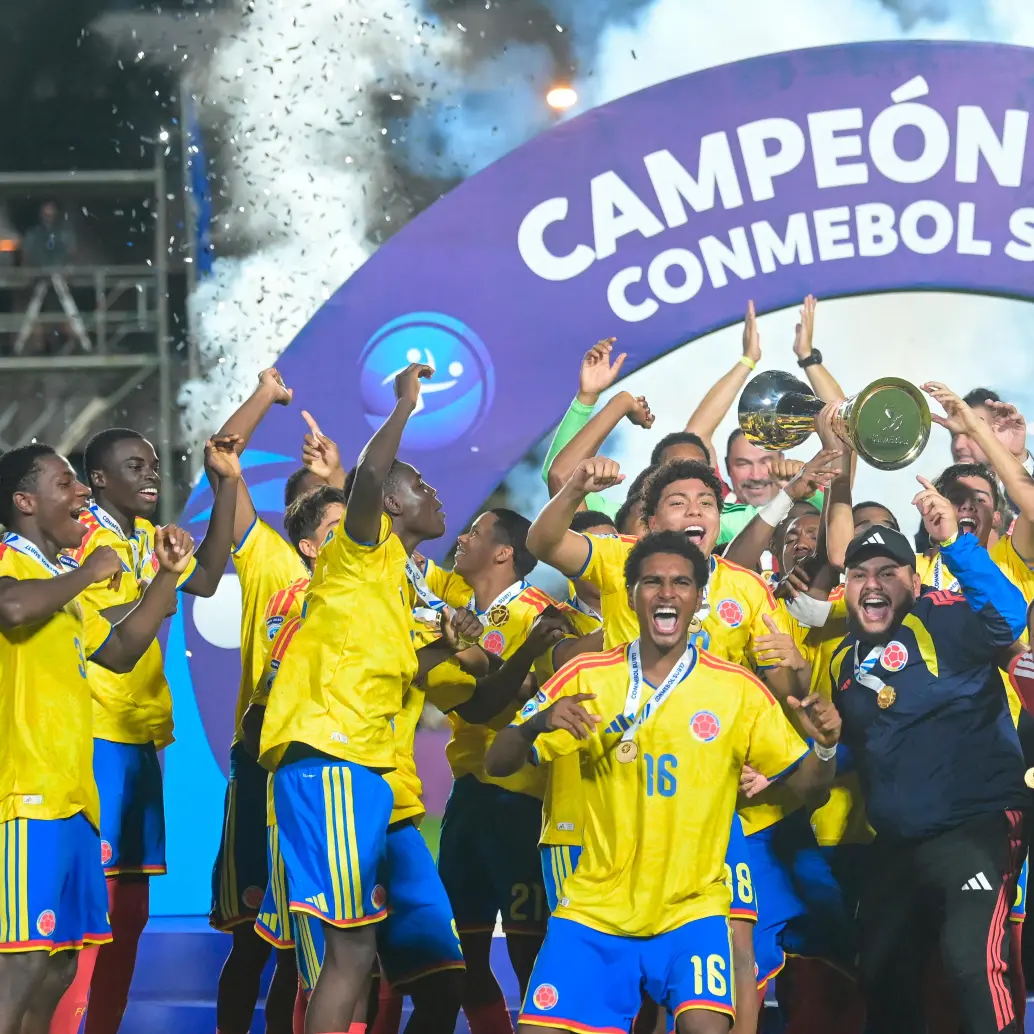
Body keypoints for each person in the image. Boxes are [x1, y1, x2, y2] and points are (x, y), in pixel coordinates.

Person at [484, 531, 841, 1034]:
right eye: (652, 581)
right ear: (632, 595)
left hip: (692, 911)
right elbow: (497, 762)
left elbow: (810, 787)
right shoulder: (588, 675)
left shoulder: (737, 690)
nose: (667, 592)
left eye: (681, 583)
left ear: (698, 599)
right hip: (595, 909)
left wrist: (824, 747)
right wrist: (534, 725)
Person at [0, 444, 195, 1034]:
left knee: (57, 968)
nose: (81, 492)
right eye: (66, 484)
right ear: (25, 502)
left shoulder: (59, 584)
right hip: (23, 799)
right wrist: (90, 572)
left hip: (75, 801)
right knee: (22, 965)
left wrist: (165, 576)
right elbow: (9, 608)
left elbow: (121, 649)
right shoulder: (13, 564)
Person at [54, 429, 239, 1034]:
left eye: (155, 465)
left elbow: (208, 578)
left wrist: (226, 484)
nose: (151, 476)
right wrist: (165, 575)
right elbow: (119, 645)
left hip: (138, 739)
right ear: (99, 480)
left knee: (129, 912)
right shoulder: (88, 541)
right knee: (95, 911)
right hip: (96, 736)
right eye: (135, 466)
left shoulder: (143, 539)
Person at [834, 487, 1029, 1034]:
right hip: (899, 843)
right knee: (880, 971)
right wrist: (797, 759)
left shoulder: (943, 617)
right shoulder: (845, 659)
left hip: (977, 826)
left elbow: (1009, 619)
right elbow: (861, 744)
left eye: (888, 571)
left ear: (915, 580)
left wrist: (953, 543)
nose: (872, 583)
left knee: (971, 963)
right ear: (846, 587)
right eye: (859, 573)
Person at [431, 507, 597, 1030]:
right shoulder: (456, 606)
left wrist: (523, 683)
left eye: (474, 532)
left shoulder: (540, 612)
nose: (461, 537)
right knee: (460, 960)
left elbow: (555, 685)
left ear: (504, 552)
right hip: (468, 800)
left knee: (530, 958)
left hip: (523, 803)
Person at [207, 370, 323, 1034]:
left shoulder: (374, 590)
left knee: (306, 949)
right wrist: (267, 395)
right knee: (254, 942)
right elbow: (225, 463)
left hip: (335, 778)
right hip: (265, 775)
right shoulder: (275, 566)